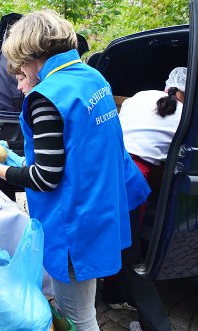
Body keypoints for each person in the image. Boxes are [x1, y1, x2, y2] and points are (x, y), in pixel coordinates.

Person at [0, 11, 137, 330]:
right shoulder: (92, 78)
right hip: (99, 210)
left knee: (78, 318)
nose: (19, 80)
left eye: (19, 67)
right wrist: (22, 163)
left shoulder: (46, 97)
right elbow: (80, 150)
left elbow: (46, 177)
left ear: (29, 53)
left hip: (72, 222)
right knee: (84, 310)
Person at [101, 68, 185, 331]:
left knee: (115, 241)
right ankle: (158, 326)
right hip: (133, 178)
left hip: (107, 169)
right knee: (131, 255)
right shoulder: (187, 114)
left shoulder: (140, 96)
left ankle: (112, 296)